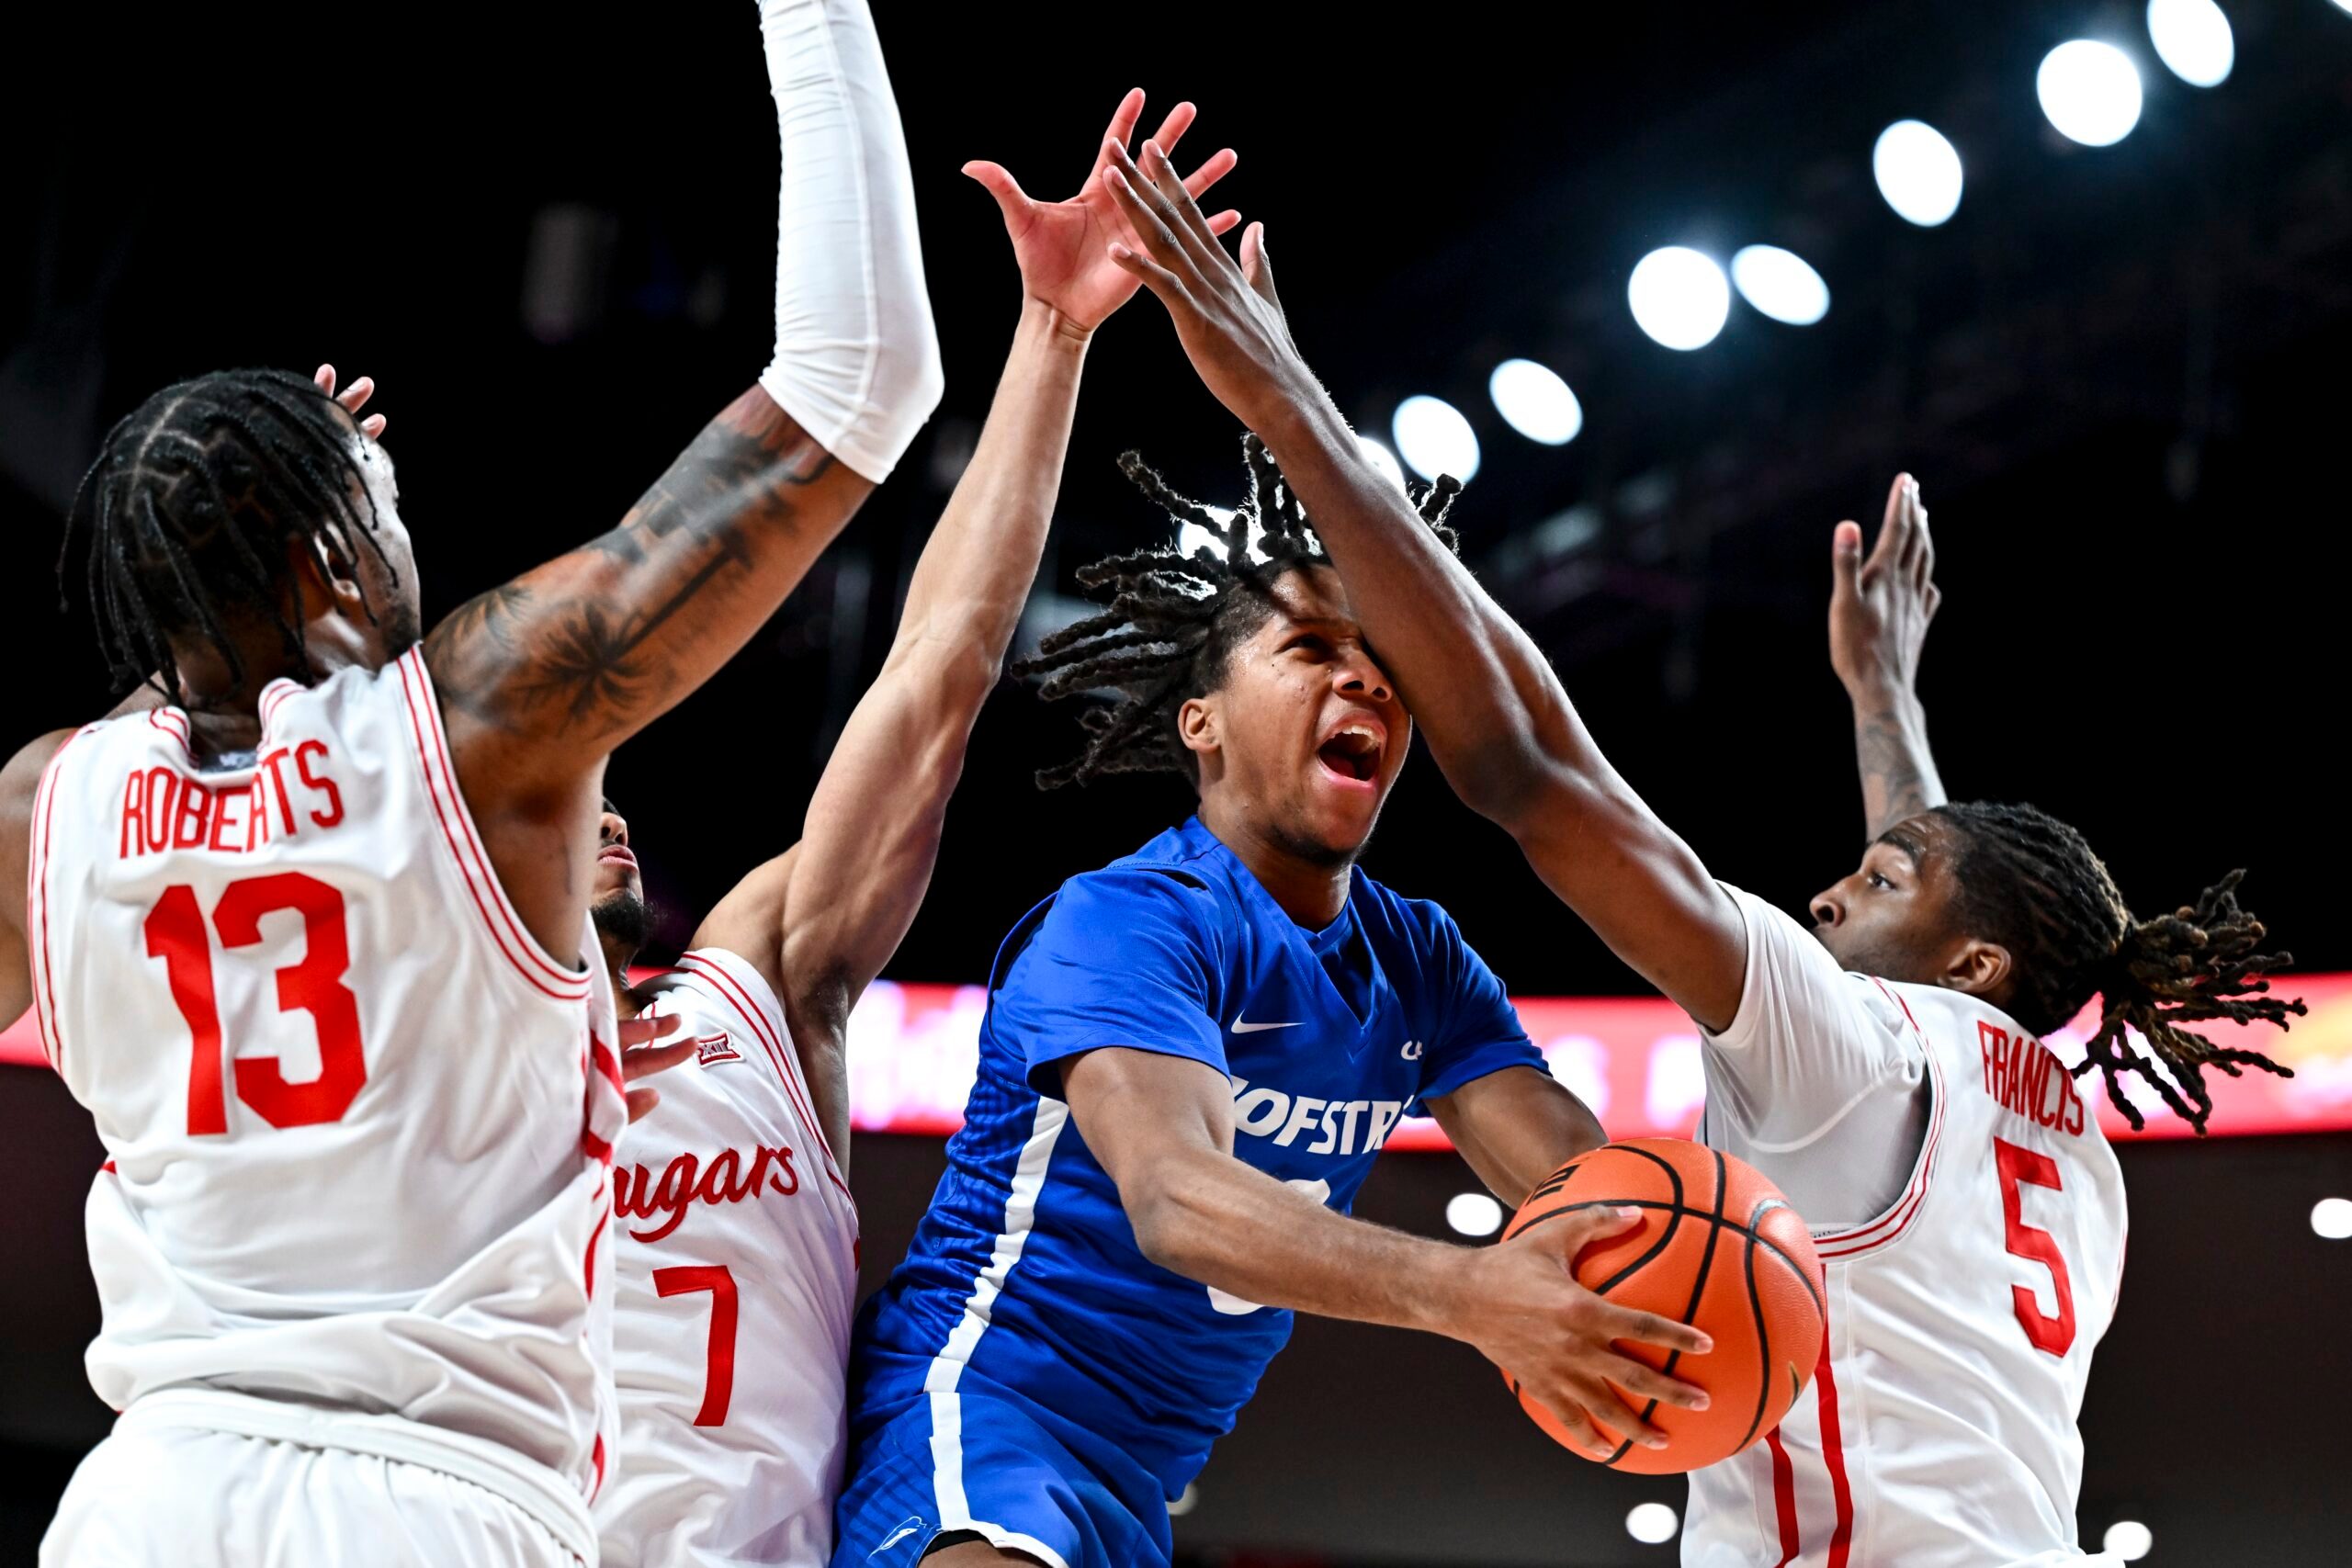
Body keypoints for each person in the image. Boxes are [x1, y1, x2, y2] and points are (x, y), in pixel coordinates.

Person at [1091, 146, 2303, 1567]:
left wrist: (1292, 410)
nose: (1833, 887)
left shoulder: (1851, 1044)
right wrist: (1885, 702)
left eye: (1881, 878)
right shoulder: (2066, 1140)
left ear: (1974, 958)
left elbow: (1533, 776)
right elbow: (1954, 925)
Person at [3, 0, 942, 1558]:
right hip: (433, 1502)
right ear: (328, 557)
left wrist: (231, 550)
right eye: (380, 498)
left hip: (146, 1499)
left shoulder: (51, 805)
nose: (408, 529)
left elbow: (202, 707)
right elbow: (860, 377)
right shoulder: (484, 725)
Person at [830, 151, 1713, 1568]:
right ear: (1202, 724)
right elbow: (1179, 1201)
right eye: (1312, 652)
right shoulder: (1128, 923)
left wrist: (1712, 1264)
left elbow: (1578, 1182)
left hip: (1143, 1485)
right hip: (979, 1417)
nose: (1366, 689)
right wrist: (1476, 1296)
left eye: (1387, 670)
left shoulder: (1413, 961)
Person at [589, 84, 1241, 1568]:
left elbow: (937, 671)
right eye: (570, 806)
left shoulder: (756, 976)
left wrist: (1055, 338)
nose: (610, 810)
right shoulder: (444, 1055)